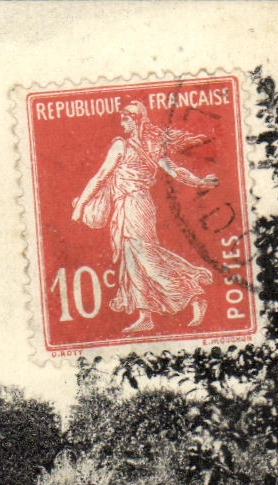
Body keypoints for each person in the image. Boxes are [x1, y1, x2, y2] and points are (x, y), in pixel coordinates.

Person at [71, 100, 219, 333]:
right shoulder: (151, 147)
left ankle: (192, 293)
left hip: (134, 205)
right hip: (132, 206)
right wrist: (199, 182)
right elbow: (177, 172)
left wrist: (80, 205)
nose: (122, 124)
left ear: (136, 120)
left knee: (146, 257)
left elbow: (100, 177)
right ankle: (145, 315)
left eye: (126, 119)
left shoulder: (122, 146)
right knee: (132, 260)